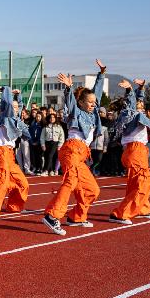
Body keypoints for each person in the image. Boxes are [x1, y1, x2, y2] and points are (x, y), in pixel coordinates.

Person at [42, 60, 106, 235]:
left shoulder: (93, 113)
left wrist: (101, 74)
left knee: (92, 190)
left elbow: (97, 94)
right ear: (82, 103)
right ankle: (52, 216)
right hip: (71, 150)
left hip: (82, 154)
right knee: (70, 182)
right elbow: (70, 104)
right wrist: (69, 89)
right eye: (90, 102)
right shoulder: (75, 112)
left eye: (94, 102)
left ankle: (76, 217)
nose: (94, 104)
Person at [109, 78, 150, 225]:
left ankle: (143, 208)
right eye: (138, 102)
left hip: (138, 150)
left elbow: (136, 101)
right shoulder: (128, 113)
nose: (141, 104)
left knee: (136, 183)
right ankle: (121, 213)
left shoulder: (135, 113)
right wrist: (129, 90)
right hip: (135, 150)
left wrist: (140, 88)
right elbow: (132, 103)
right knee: (145, 182)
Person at [0, 86, 30, 219]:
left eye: (17, 107)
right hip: (0, 151)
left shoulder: (16, 119)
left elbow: (18, 106)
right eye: (13, 107)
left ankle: (14, 206)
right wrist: (8, 91)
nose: (16, 109)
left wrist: (18, 96)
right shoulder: (5, 116)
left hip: (9, 154)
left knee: (22, 183)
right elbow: (9, 104)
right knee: (3, 181)